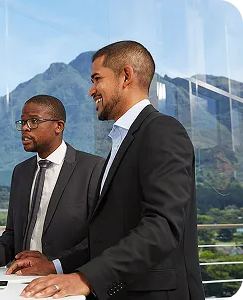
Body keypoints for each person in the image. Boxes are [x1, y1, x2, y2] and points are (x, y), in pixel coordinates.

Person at [22, 40, 205, 300]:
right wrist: (55, 266)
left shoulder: (162, 131)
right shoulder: (122, 142)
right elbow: (107, 236)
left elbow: (162, 226)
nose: (91, 90)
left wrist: (86, 278)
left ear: (125, 76)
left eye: (97, 79)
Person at [0, 95, 104, 276]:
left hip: (69, 283)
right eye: (23, 122)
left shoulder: (93, 168)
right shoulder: (21, 172)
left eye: (34, 121)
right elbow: (12, 235)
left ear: (59, 126)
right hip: (23, 283)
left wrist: (54, 265)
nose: (25, 128)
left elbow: (99, 238)